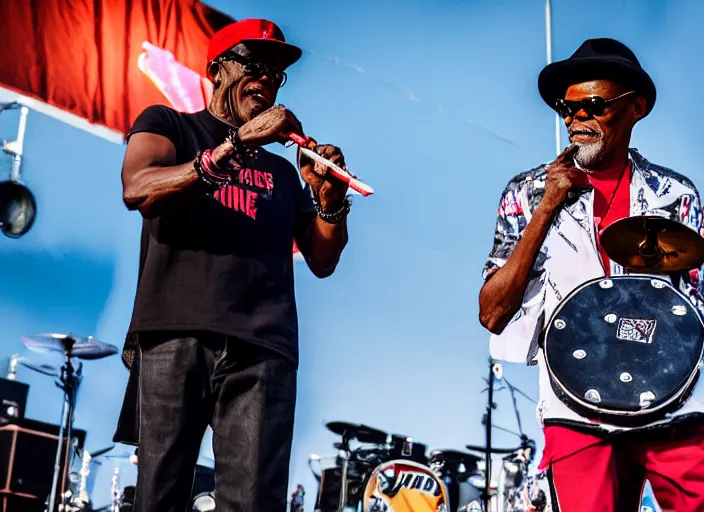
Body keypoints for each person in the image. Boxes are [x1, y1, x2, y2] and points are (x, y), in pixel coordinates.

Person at [113, 18, 351, 512]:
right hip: (176, 333)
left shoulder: (283, 171)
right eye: (255, 67)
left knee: (253, 502)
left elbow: (323, 259)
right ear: (219, 70)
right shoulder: (169, 124)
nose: (266, 80)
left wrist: (330, 201)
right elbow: (139, 187)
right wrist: (239, 144)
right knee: (159, 493)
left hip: (263, 346)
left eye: (276, 74)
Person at [479, 38, 704, 511]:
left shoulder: (675, 195)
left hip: (672, 401)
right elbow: (492, 312)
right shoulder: (525, 193)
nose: (575, 120)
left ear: (635, 107)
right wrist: (546, 207)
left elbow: (698, 311)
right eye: (567, 108)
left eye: (593, 106)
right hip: (574, 405)